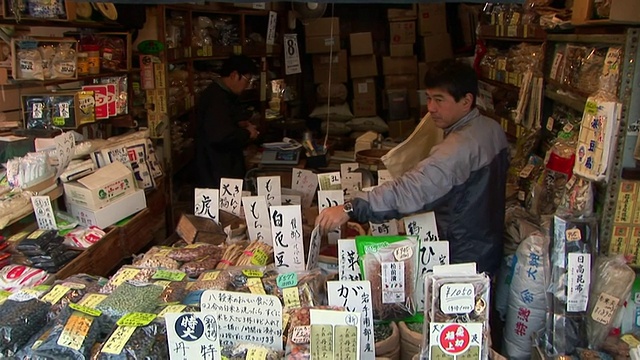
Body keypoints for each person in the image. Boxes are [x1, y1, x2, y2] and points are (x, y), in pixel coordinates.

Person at [316, 59, 509, 274]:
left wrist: (351, 208)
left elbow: (411, 189)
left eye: (439, 100)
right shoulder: (492, 129)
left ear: (466, 101)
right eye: (428, 98)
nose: (431, 108)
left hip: (463, 253)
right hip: (487, 244)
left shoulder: (458, 148)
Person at [195, 55, 260, 189]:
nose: (247, 86)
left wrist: (238, 124)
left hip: (219, 168)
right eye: (247, 80)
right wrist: (247, 133)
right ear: (234, 75)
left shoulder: (222, 94)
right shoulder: (216, 99)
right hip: (216, 171)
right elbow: (221, 136)